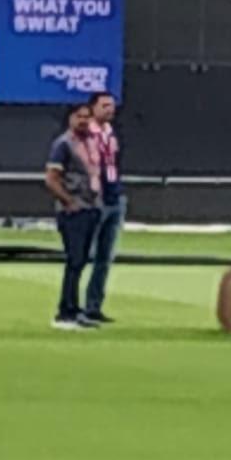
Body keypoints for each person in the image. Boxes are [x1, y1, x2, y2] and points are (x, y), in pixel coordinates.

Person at [45, 102, 102, 331]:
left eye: (87, 117)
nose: (84, 121)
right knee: (74, 260)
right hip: (74, 210)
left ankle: (74, 309)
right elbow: (51, 178)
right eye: (80, 117)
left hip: (90, 207)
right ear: (70, 118)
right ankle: (65, 312)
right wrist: (69, 202)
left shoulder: (91, 143)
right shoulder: (63, 144)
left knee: (81, 261)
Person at [85, 90, 124, 324]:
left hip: (114, 197)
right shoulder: (86, 134)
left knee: (104, 258)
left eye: (112, 105)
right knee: (82, 256)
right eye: (105, 105)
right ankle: (71, 306)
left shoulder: (111, 133)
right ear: (93, 108)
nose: (110, 109)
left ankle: (93, 307)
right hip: (93, 200)